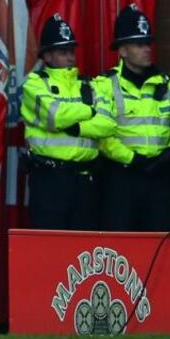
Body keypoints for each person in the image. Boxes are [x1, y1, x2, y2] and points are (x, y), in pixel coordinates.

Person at [96, 4, 170, 231]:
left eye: (147, 43)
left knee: (158, 245)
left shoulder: (164, 85)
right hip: (122, 179)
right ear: (122, 50)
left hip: (159, 177)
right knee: (123, 250)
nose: (147, 49)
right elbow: (101, 135)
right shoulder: (105, 85)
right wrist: (132, 159)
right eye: (139, 44)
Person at [20, 13, 114, 231]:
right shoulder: (34, 85)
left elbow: (108, 123)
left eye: (71, 51)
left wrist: (77, 126)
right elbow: (55, 117)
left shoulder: (89, 85)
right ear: (48, 56)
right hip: (49, 180)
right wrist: (89, 110)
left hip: (84, 181)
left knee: (83, 255)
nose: (70, 57)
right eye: (63, 52)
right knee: (49, 249)